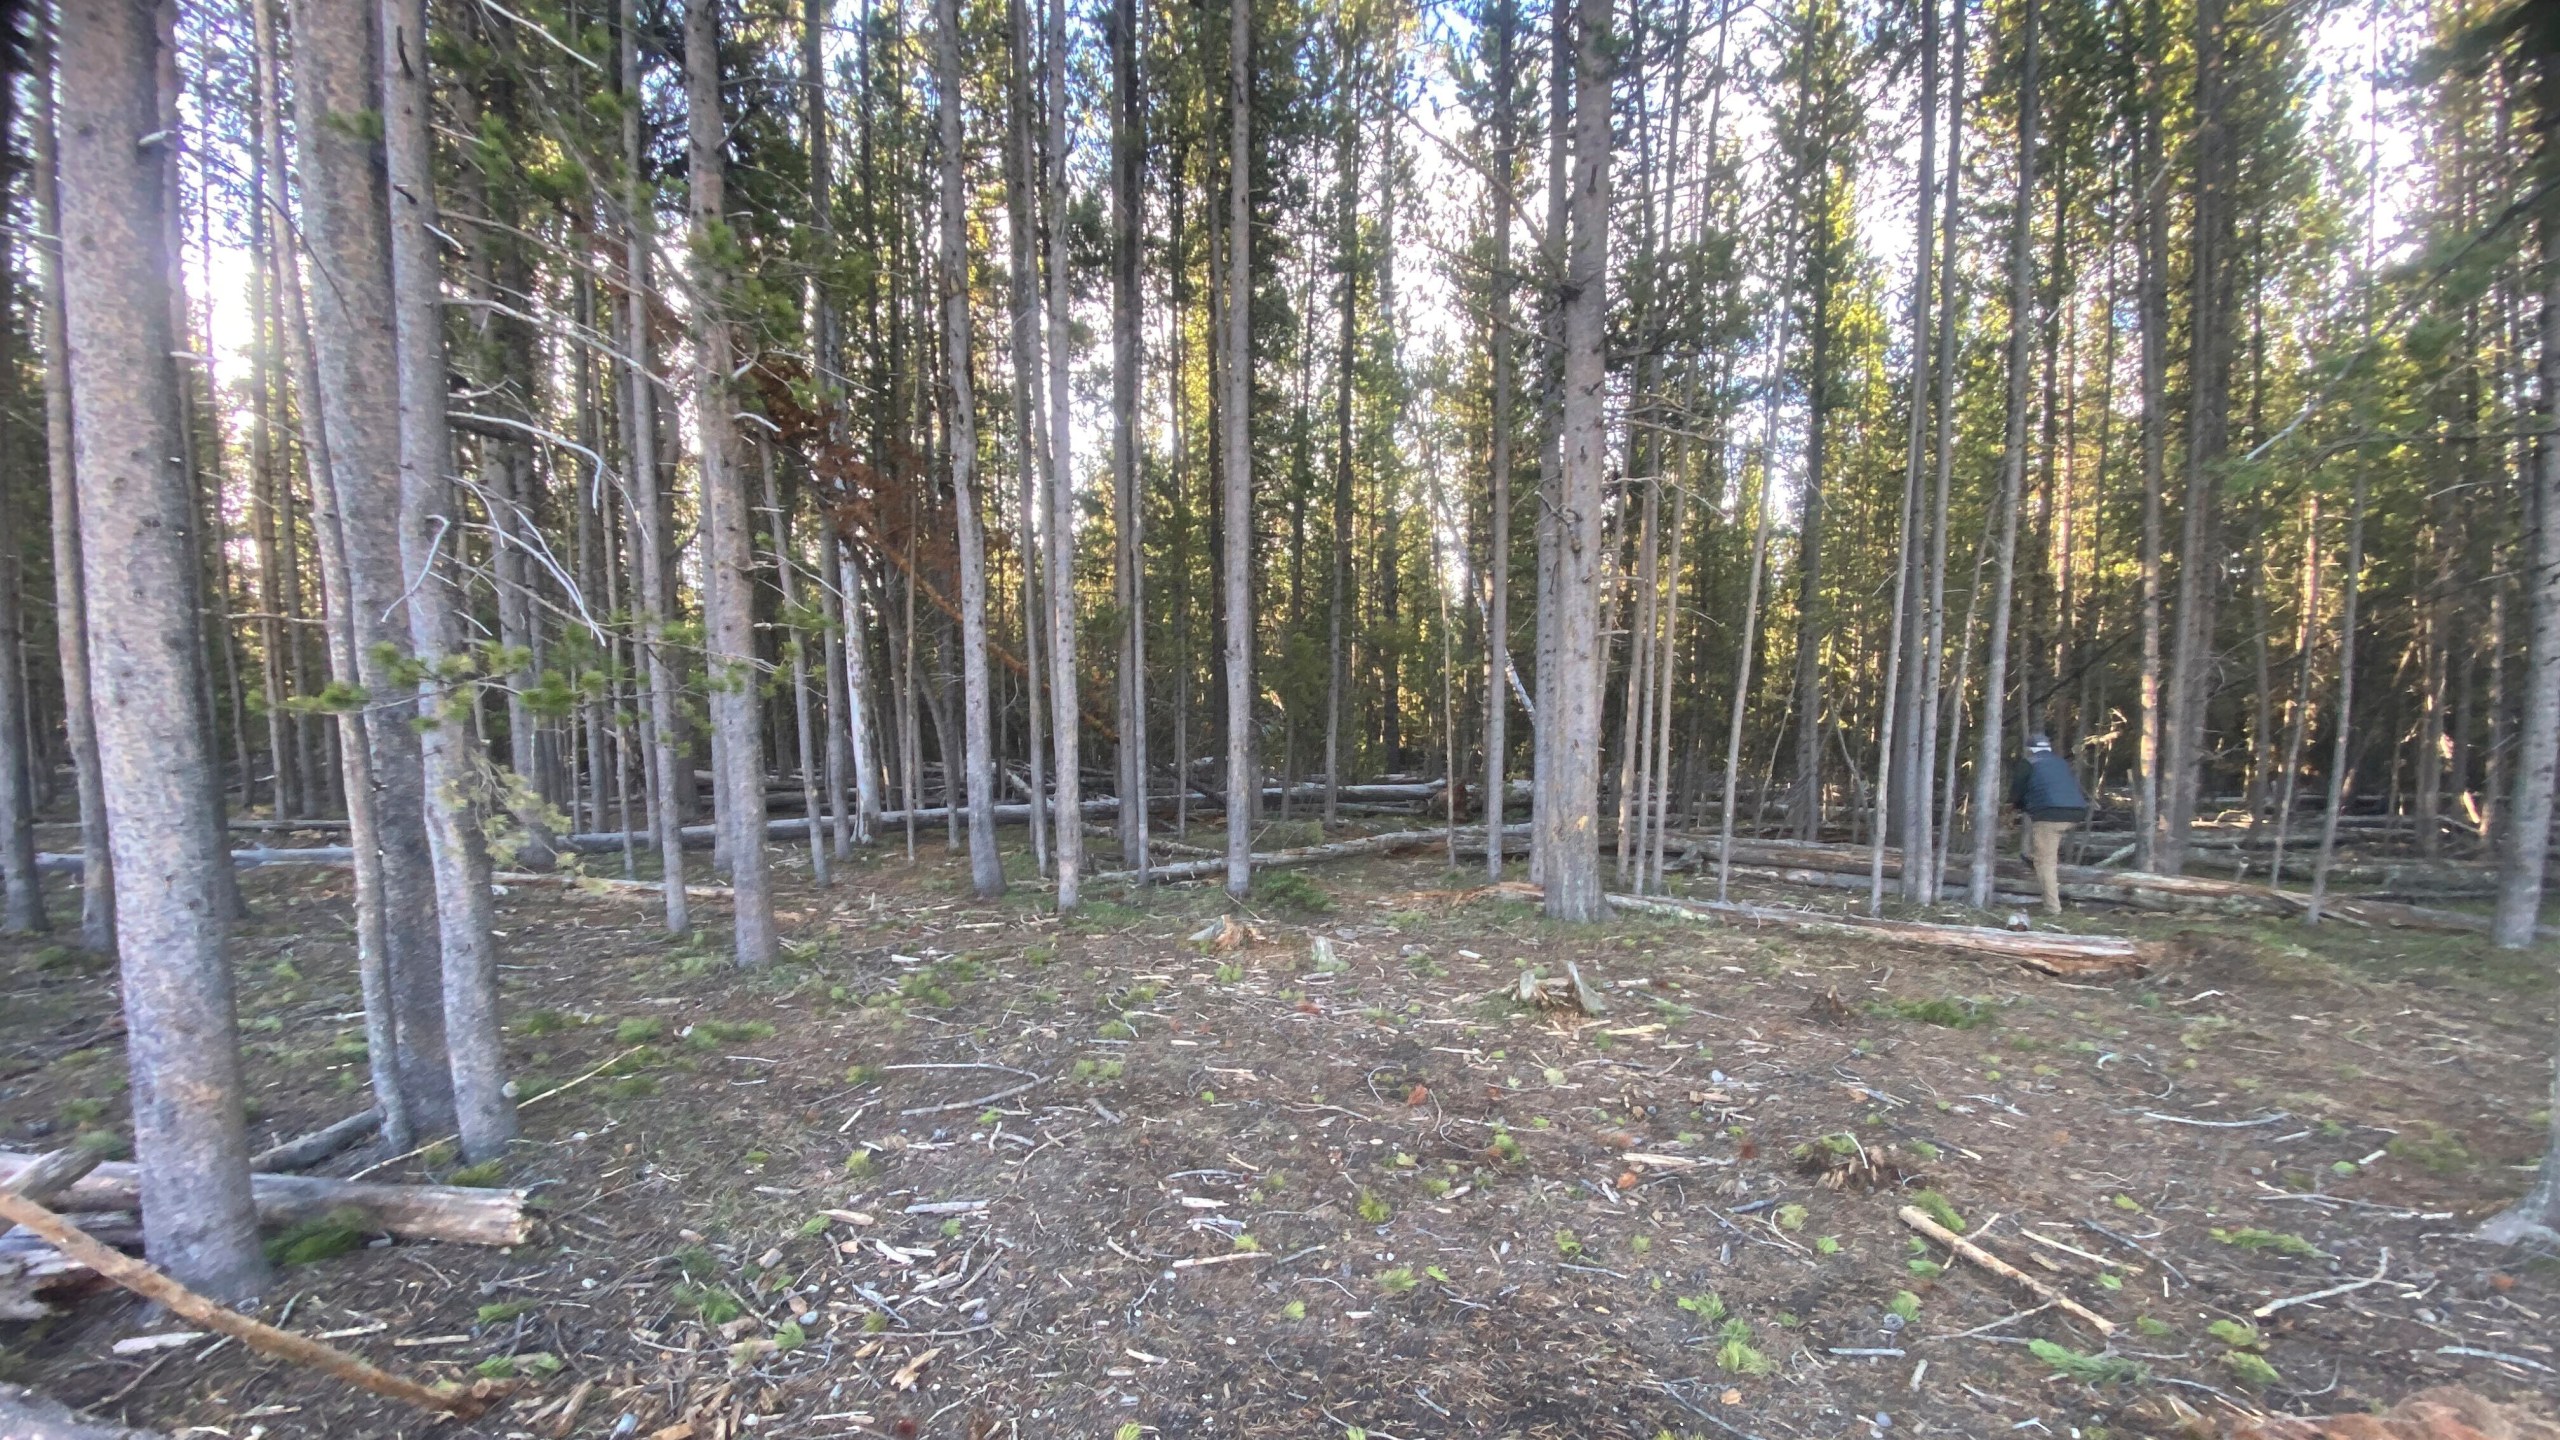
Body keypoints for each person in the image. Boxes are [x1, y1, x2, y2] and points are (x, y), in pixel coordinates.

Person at [2010, 733, 2088, 915]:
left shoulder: (2028, 763)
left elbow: (2016, 792)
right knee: (2043, 846)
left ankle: (2052, 909)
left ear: (2029, 749)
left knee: (2046, 863)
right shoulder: (2060, 762)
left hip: (2050, 814)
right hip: (2076, 812)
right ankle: (2033, 856)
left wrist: (2013, 807)